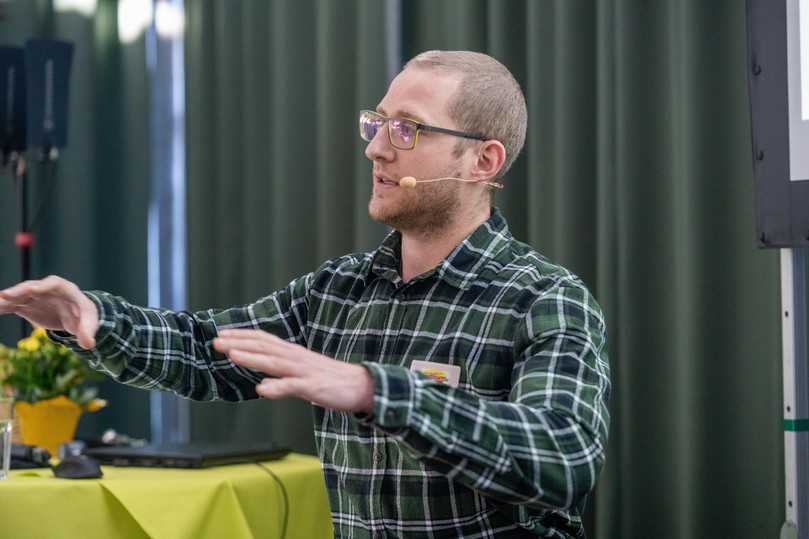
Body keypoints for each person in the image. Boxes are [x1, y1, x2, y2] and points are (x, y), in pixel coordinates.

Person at [0, 50, 610, 538]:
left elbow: (562, 457)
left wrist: (375, 390)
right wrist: (90, 317)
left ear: (483, 161)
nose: (376, 147)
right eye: (377, 122)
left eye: (407, 129)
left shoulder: (543, 298)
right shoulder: (340, 288)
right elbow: (210, 351)